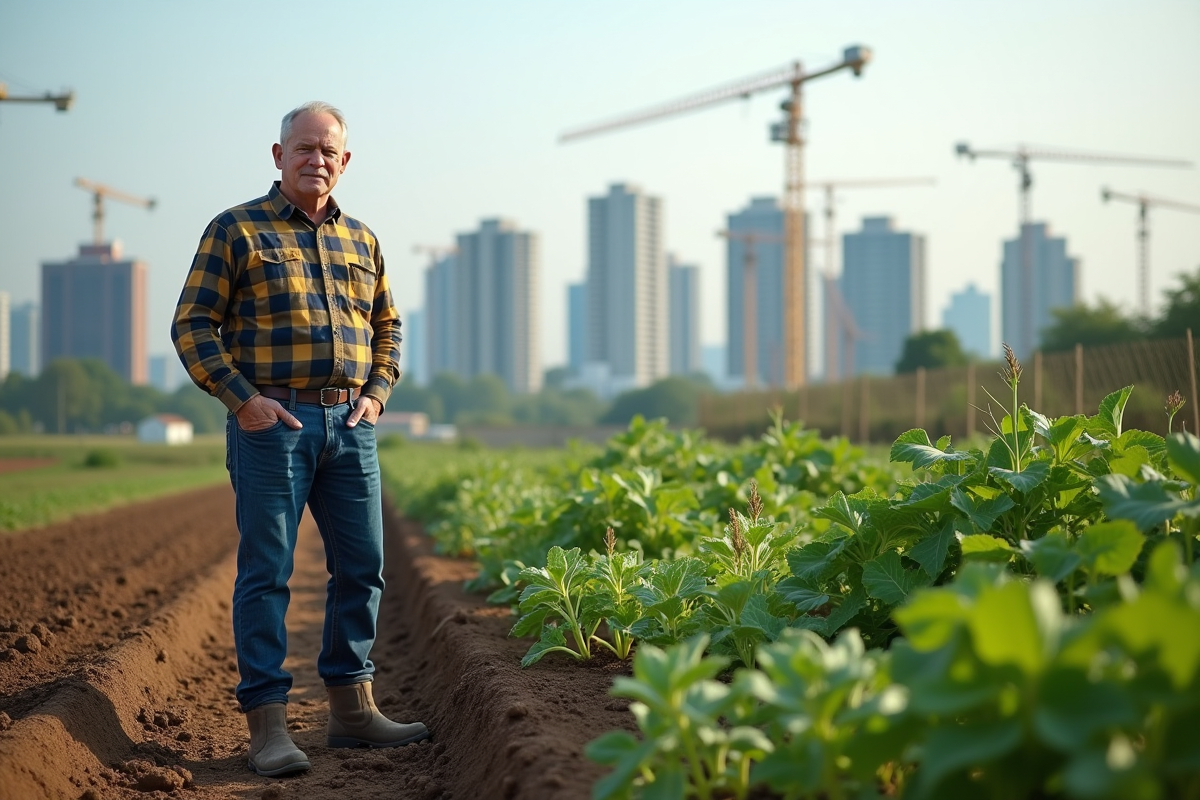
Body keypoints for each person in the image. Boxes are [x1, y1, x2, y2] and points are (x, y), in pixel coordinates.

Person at [171, 100, 428, 777]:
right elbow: (192, 324)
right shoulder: (236, 230)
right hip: (272, 427)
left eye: (328, 151)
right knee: (268, 575)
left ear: (345, 161)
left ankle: (352, 713)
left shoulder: (363, 240)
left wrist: (376, 394)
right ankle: (268, 729)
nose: (316, 160)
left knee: (362, 567)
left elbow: (389, 328)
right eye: (303, 149)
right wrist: (243, 401)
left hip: (350, 425)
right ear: (278, 156)